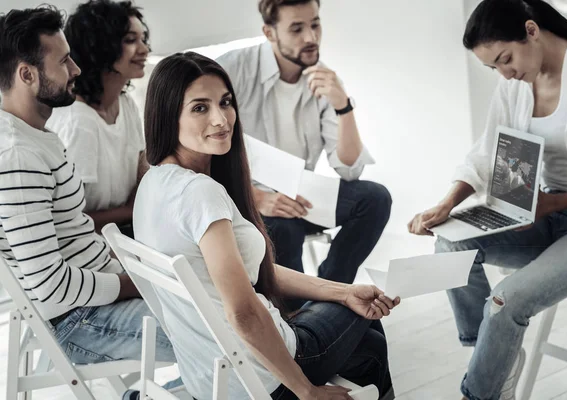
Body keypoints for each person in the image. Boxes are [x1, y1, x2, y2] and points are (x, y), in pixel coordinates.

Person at [133, 51, 399, 400]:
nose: (221, 119)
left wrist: (343, 290)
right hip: (260, 373)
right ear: (168, 115)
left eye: (225, 103)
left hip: (211, 373)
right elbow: (243, 312)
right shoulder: (200, 193)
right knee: (370, 333)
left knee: (364, 330)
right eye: (200, 108)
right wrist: (305, 391)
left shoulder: (152, 184)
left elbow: (251, 273)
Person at [408, 1, 567, 399]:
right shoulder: (514, 83)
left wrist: (558, 203)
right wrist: (447, 204)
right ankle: (496, 358)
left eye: (505, 59)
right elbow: (487, 152)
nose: (505, 73)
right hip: (543, 213)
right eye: (493, 67)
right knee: (449, 244)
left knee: (505, 301)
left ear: (531, 30)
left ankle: (479, 391)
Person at [0, 6, 181, 398]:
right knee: (234, 334)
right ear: (27, 75)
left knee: (242, 315)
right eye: (64, 61)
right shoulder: (17, 156)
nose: (76, 69)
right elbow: (52, 288)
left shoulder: (36, 136)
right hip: (79, 320)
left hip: (101, 290)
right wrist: (136, 283)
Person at [216, 0, 392, 293]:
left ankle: (331, 292)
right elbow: (202, 154)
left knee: (375, 199)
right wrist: (256, 196)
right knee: (281, 229)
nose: (311, 37)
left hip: (299, 195)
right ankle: (297, 317)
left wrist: (343, 106)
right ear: (270, 33)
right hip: (244, 197)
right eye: (297, 28)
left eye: (315, 24)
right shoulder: (232, 70)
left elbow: (349, 170)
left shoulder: (324, 79)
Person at [46, 0, 150, 237]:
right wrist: (132, 210)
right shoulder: (79, 121)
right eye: (130, 40)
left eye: (143, 39)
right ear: (101, 47)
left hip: (125, 232)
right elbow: (68, 222)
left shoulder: (126, 104)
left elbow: (142, 163)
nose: (144, 49)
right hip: (87, 243)